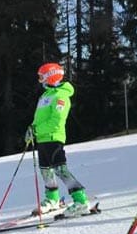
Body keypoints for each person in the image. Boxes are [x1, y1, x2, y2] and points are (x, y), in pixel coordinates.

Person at [28, 62, 92, 217]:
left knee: (60, 170)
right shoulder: (45, 95)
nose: (40, 80)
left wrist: (36, 130)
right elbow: (39, 118)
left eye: (42, 77)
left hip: (54, 138)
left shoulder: (60, 96)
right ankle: (53, 199)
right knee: (45, 170)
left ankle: (81, 201)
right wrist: (31, 129)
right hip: (42, 139)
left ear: (51, 76)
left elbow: (56, 121)